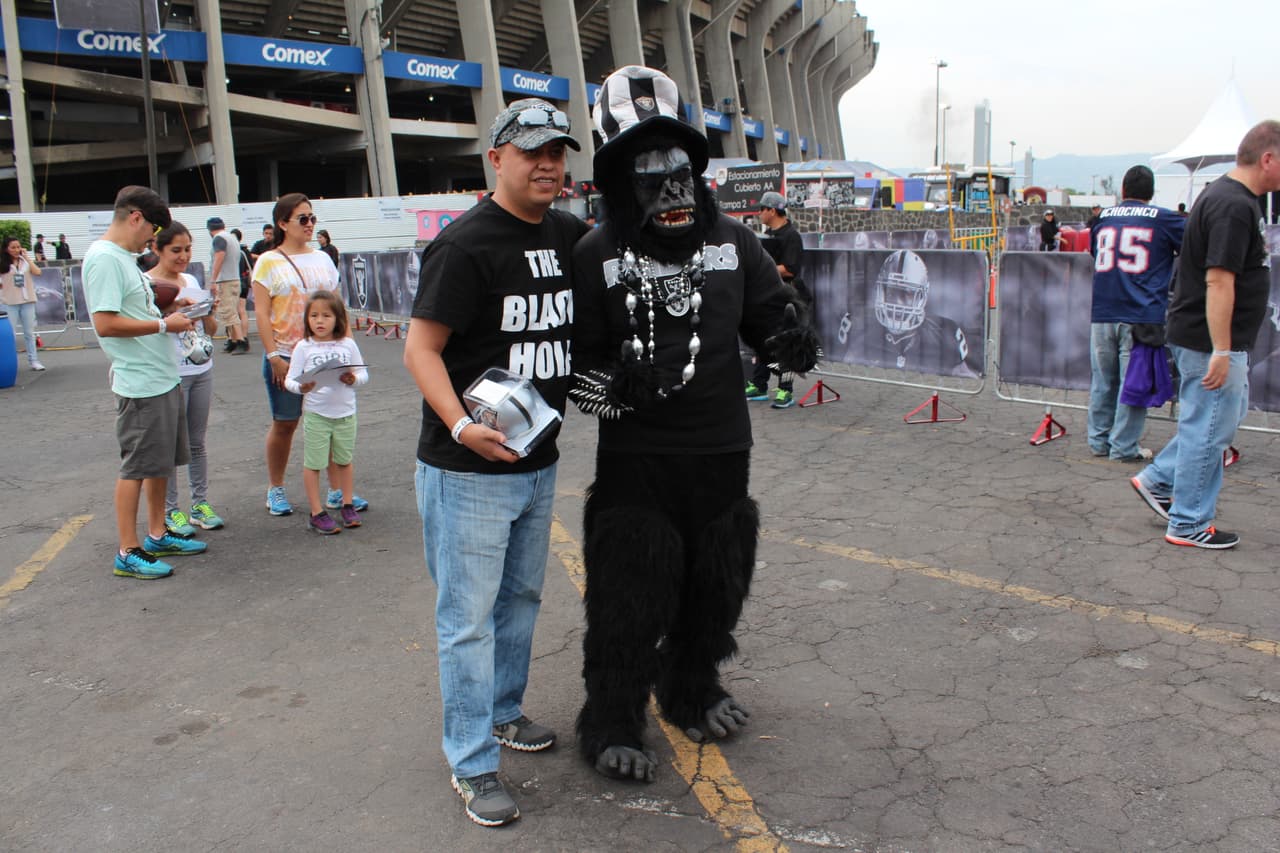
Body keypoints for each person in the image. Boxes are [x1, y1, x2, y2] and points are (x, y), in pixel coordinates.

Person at [568, 66, 817, 787]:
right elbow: (576, 370)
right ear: (618, 177)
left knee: (715, 586)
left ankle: (691, 687)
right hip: (637, 464)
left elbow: (771, 322)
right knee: (627, 596)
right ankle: (611, 718)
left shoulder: (738, 243)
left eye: (681, 170)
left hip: (719, 454)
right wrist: (614, 389)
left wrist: (789, 341)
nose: (673, 189)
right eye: (650, 174)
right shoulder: (594, 254)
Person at [403, 97, 586, 827]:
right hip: (467, 470)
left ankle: (505, 711)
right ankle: (472, 761)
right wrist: (458, 424)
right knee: (468, 620)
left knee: (519, 603)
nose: (548, 163)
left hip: (536, 461)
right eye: (532, 150)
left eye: (558, 151)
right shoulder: (464, 245)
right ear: (497, 159)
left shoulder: (571, 235)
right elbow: (421, 348)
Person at [1130, 120, 1280, 549]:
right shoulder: (1235, 205)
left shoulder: (1228, 197)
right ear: (1267, 158)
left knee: (1213, 422)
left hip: (1208, 337)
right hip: (1209, 339)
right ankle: (1189, 521)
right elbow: (1218, 280)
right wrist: (1221, 349)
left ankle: (1159, 481)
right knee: (1209, 429)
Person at [83, 185, 208, 579]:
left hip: (160, 376)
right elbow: (104, 323)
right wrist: (162, 322)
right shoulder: (104, 258)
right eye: (151, 230)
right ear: (135, 217)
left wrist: (169, 306)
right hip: (139, 383)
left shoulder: (122, 258)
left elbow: (132, 308)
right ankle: (128, 548)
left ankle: (157, 534)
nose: (151, 240)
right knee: (136, 467)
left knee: (159, 464)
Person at [251, 194, 364, 517]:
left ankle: (338, 491)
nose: (310, 224)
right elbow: (261, 312)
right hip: (287, 355)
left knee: (331, 420)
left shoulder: (323, 260)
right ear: (283, 223)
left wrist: (348, 350)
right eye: (303, 218)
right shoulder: (268, 261)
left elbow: (338, 307)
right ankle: (276, 489)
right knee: (285, 424)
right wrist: (273, 355)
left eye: (312, 218)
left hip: (328, 355)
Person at [1087, 165, 1185, 462]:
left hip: (1103, 310)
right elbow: (1193, 245)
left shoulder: (1102, 218)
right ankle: (1124, 446)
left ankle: (1098, 440)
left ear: (1123, 191)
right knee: (1134, 384)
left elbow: (1094, 251)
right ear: (1151, 193)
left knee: (1103, 381)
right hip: (1141, 313)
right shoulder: (1165, 219)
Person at [146, 221, 225, 537]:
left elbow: (212, 330)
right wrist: (170, 317)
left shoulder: (192, 279)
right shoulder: (147, 283)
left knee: (196, 443)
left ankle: (200, 505)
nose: (182, 256)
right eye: (175, 250)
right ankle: (169, 511)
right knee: (169, 446)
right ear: (157, 249)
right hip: (169, 374)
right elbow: (147, 332)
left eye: (187, 249)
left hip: (200, 369)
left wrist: (207, 310)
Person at [284, 291, 368, 534]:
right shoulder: (303, 347)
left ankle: (347, 503)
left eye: (326, 315)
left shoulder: (348, 344)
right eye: (314, 315)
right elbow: (290, 380)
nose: (319, 321)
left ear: (338, 319)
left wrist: (353, 379)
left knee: (344, 460)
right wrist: (302, 386)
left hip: (345, 413)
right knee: (314, 463)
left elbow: (363, 375)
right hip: (317, 414)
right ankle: (316, 512)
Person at [744, 190, 807, 408]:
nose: (759, 213)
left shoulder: (791, 236)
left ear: (772, 210)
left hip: (787, 299)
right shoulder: (768, 235)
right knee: (762, 340)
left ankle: (785, 390)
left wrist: (762, 269)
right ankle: (759, 384)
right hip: (766, 298)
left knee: (786, 345)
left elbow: (790, 269)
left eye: (762, 209)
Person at [1, 235, 46, 371]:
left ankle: (34, 360)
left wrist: (26, 257)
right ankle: (9, 362)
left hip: (27, 300)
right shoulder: (3, 263)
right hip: (9, 301)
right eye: (13, 247)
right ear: (6, 249)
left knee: (29, 332)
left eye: (18, 247)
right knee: (10, 333)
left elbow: (38, 272)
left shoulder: (24, 261)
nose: (16, 250)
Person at [207, 217, 248, 353]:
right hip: (235, 278)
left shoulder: (218, 239)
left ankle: (241, 340)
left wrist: (213, 280)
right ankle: (233, 340)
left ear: (209, 229)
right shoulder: (232, 238)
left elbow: (219, 257)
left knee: (229, 313)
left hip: (225, 280)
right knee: (231, 311)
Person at [231, 228, 252, 354]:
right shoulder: (245, 251)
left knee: (237, 311)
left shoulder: (234, 251)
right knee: (241, 310)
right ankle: (242, 337)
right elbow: (251, 267)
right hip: (243, 281)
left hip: (236, 282)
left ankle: (240, 339)